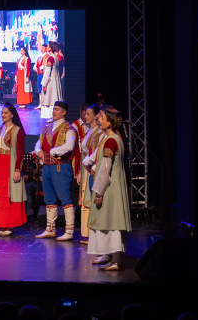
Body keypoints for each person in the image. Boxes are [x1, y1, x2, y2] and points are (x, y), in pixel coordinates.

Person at [87, 106, 132, 271]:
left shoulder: (111, 140)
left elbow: (106, 169)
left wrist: (99, 192)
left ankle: (115, 260)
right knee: (108, 221)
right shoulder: (111, 138)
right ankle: (110, 255)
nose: (98, 119)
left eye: (102, 117)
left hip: (110, 188)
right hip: (111, 186)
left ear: (110, 122)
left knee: (111, 221)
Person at [33, 101, 79, 241]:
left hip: (60, 166)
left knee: (64, 198)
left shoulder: (69, 128)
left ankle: (69, 231)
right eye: (53, 109)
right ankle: (50, 229)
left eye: (57, 109)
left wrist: (53, 151)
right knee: (49, 199)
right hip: (47, 167)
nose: (54, 111)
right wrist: (39, 151)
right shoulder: (48, 128)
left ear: (64, 112)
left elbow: (70, 145)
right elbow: (38, 143)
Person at [0, 103, 27, 236]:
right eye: (2, 113)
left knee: (9, 194)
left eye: (5, 113)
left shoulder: (17, 131)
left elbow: (20, 153)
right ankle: (2, 225)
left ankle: (9, 226)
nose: (2, 115)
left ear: (12, 115)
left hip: (9, 165)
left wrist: (17, 170)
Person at [78, 104, 102, 244]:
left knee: (92, 200)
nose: (85, 116)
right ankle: (88, 233)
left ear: (95, 116)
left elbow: (96, 153)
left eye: (88, 114)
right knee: (86, 201)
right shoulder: (88, 131)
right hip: (85, 170)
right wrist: (80, 172)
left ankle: (95, 234)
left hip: (92, 169)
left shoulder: (99, 132)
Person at [40, 42, 63, 119]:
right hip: (55, 80)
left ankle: (51, 116)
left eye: (48, 46)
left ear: (51, 48)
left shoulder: (50, 58)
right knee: (54, 98)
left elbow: (47, 72)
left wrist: (44, 84)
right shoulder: (56, 57)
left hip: (50, 82)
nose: (47, 47)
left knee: (50, 99)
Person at [33, 44, 49, 109]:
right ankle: (41, 104)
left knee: (44, 89)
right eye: (41, 48)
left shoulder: (47, 56)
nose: (41, 49)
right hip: (39, 74)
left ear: (46, 48)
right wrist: (35, 68)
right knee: (40, 89)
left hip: (44, 74)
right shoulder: (40, 57)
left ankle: (45, 103)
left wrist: (42, 68)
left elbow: (46, 65)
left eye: (43, 48)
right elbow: (35, 65)